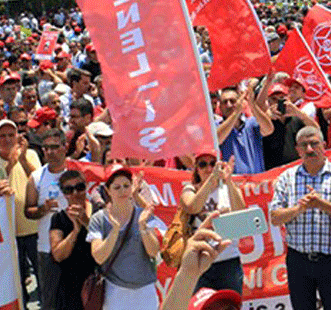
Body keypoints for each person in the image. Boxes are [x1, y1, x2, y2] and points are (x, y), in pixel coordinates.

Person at [270, 126, 331, 310]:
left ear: (324, 145)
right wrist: (299, 208)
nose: (310, 149)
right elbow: (275, 217)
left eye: (314, 143)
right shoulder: (287, 177)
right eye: (304, 145)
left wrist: (321, 204)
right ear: (298, 150)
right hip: (298, 261)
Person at [88, 165, 166, 309]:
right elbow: (98, 256)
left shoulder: (143, 215)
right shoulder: (98, 219)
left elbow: (153, 251)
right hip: (115, 292)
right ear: (107, 191)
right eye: (117, 187)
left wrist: (143, 227)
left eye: (126, 185)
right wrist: (115, 231)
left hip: (145, 291)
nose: (123, 191)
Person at [0, 119, 41, 307]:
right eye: (2, 136)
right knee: (17, 283)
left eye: (11, 135)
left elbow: (38, 180)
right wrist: (11, 163)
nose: (7, 139)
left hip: (35, 228)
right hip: (9, 235)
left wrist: (23, 159)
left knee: (42, 277)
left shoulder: (32, 154)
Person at [179, 149, 246, 294]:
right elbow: (192, 207)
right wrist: (210, 180)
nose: (208, 169)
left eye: (212, 164)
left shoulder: (229, 188)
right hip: (200, 261)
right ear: (196, 169)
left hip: (228, 260)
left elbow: (241, 212)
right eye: (203, 165)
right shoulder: (190, 189)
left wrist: (227, 181)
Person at [24, 128, 71, 310]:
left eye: (54, 147)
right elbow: (28, 211)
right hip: (47, 248)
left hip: (75, 246)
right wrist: (43, 209)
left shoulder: (77, 173)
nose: (50, 152)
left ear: (64, 148)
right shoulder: (36, 177)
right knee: (50, 300)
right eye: (46, 148)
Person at [49, 169, 97, 310]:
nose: (75, 193)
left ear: (86, 186)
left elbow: (107, 245)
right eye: (69, 190)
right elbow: (58, 254)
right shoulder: (58, 219)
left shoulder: (99, 213)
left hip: (96, 285)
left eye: (79, 187)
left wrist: (86, 222)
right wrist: (75, 231)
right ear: (63, 193)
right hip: (70, 288)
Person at [216, 86, 273, 174]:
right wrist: (235, 113)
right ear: (219, 106)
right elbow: (216, 140)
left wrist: (252, 104)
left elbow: (269, 129)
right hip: (230, 184)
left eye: (232, 101)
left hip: (255, 183)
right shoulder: (216, 126)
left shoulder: (252, 123)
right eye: (225, 102)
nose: (229, 105)